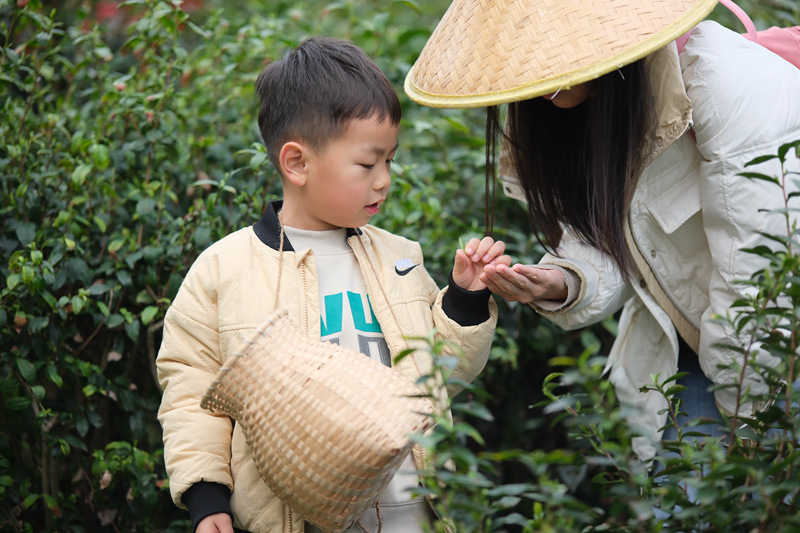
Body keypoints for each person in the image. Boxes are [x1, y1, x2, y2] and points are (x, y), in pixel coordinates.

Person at [405, 0, 800, 459]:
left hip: (771, 353)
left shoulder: (727, 83)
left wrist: (751, 429)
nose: (538, 65)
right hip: (697, 341)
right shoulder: (576, 100)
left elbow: (758, 277)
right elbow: (619, 236)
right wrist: (561, 280)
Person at [157, 36, 509, 533]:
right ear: (297, 163)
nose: (384, 180)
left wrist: (465, 300)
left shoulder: (399, 258)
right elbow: (191, 390)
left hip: (415, 513)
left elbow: (441, 376)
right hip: (296, 519)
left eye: (389, 161)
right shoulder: (226, 269)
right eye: (367, 164)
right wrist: (207, 497)